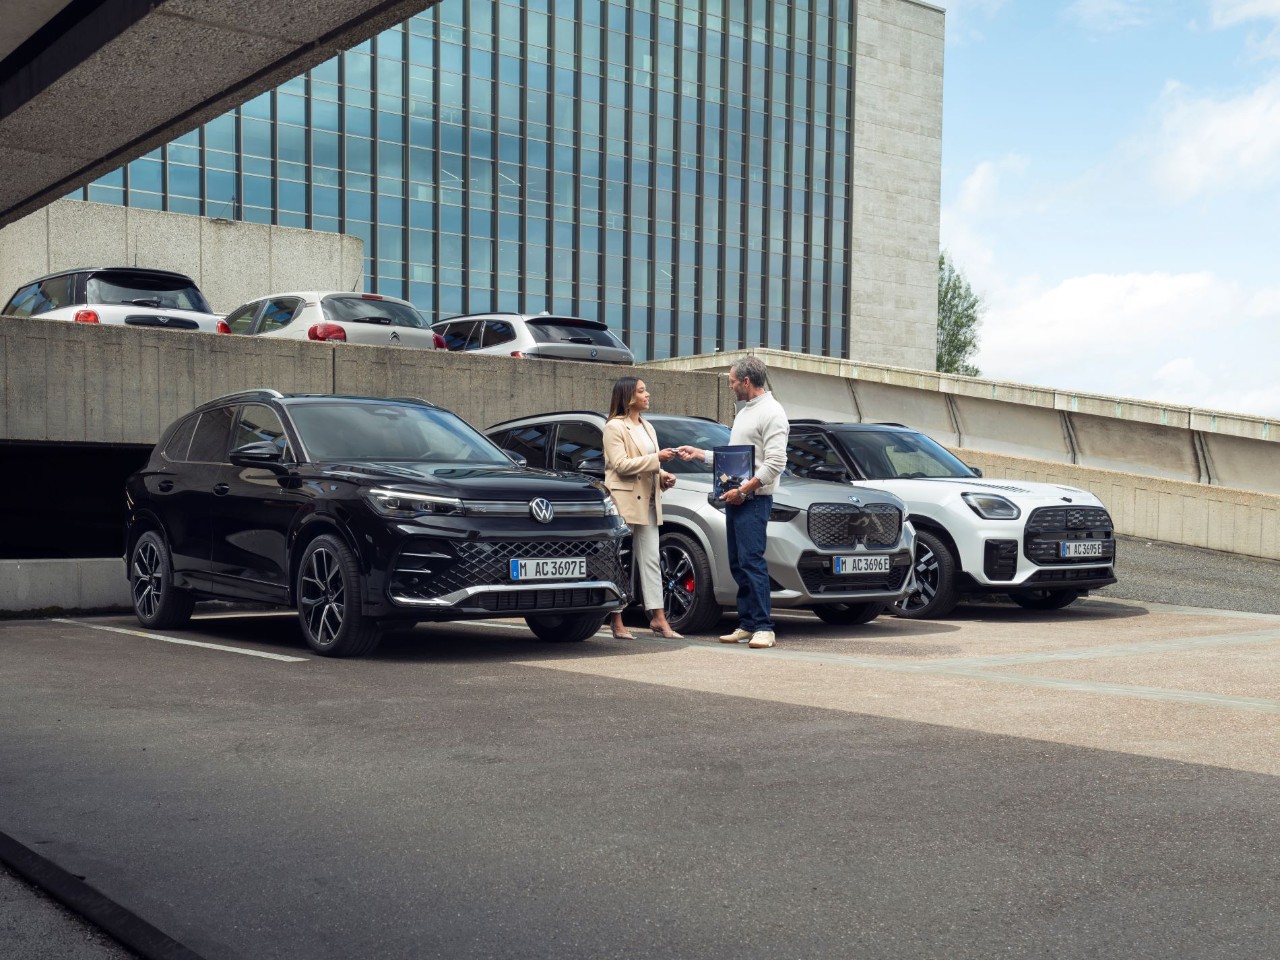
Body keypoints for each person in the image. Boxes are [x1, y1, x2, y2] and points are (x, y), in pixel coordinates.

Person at [676, 355, 787, 648]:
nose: (730, 386)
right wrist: (700, 454)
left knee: (752, 562)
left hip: (753, 501)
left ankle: (764, 627)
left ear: (746, 382)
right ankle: (748, 624)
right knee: (739, 563)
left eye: (733, 381)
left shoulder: (772, 412)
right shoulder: (745, 412)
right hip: (737, 499)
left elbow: (776, 462)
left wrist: (745, 491)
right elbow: (735, 461)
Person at [602, 377, 682, 639]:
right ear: (628, 396)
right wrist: (656, 459)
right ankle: (616, 619)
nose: (647, 394)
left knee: (651, 561)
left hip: (648, 501)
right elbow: (621, 465)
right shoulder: (614, 426)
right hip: (624, 501)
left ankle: (659, 618)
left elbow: (650, 466)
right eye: (641, 390)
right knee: (620, 560)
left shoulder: (648, 426)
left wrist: (664, 477)